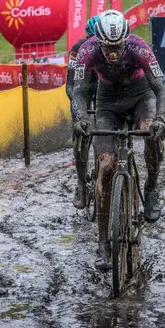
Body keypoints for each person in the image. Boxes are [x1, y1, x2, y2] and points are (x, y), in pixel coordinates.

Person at [72, 10, 165, 269]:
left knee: (151, 132)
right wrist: (82, 117)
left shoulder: (139, 48)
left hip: (141, 96)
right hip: (107, 103)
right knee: (105, 167)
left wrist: (160, 118)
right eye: (107, 47)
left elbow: (160, 88)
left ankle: (150, 188)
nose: (113, 53)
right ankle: (102, 244)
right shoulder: (87, 51)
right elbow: (79, 92)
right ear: (98, 42)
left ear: (126, 40)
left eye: (117, 47)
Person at [67, 15, 100, 209]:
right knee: (81, 135)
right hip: (83, 88)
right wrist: (80, 110)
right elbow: (71, 86)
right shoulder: (78, 49)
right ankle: (81, 183)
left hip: (107, 87)